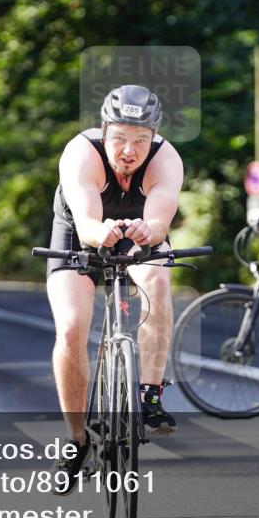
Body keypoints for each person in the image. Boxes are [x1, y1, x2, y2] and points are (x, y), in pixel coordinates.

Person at [45, 84, 183, 494]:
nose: (129, 150)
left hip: (138, 229)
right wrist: (97, 231)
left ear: (153, 137)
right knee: (71, 328)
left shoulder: (167, 158)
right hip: (80, 232)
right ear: (104, 131)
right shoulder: (80, 153)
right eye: (120, 137)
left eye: (141, 140)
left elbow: (161, 219)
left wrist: (150, 230)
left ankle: (149, 393)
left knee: (158, 279)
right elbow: (86, 221)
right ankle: (76, 441)